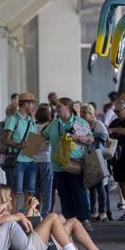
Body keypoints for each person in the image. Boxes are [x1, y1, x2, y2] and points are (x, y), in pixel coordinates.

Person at [42, 97, 95, 231]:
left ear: (67, 107)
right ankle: (69, 220)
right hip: (58, 165)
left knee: (79, 192)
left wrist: (78, 137)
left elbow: (90, 139)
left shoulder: (79, 122)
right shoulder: (54, 124)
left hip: (75, 164)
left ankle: (84, 219)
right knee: (64, 194)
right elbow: (43, 137)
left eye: (59, 106)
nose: (57, 108)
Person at [3, 92, 37, 214]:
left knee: (30, 192)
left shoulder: (30, 120)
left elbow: (32, 138)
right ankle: (13, 218)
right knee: (16, 192)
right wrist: (19, 145)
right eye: (32, 103)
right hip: (17, 161)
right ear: (25, 104)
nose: (33, 106)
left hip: (31, 160)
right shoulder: (13, 119)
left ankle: (27, 218)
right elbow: (5, 139)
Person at [81, 103, 110, 222]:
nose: (82, 115)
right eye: (81, 112)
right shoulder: (82, 124)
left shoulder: (98, 124)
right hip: (88, 156)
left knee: (99, 186)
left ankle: (103, 212)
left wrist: (89, 135)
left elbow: (105, 137)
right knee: (91, 186)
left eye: (84, 112)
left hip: (98, 156)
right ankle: (93, 211)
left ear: (90, 113)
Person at [34, 104, 54, 216]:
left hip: (34, 161)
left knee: (36, 190)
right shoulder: (50, 128)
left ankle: (35, 211)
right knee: (47, 190)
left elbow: (31, 149)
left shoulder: (33, 127)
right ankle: (46, 213)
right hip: (47, 160)